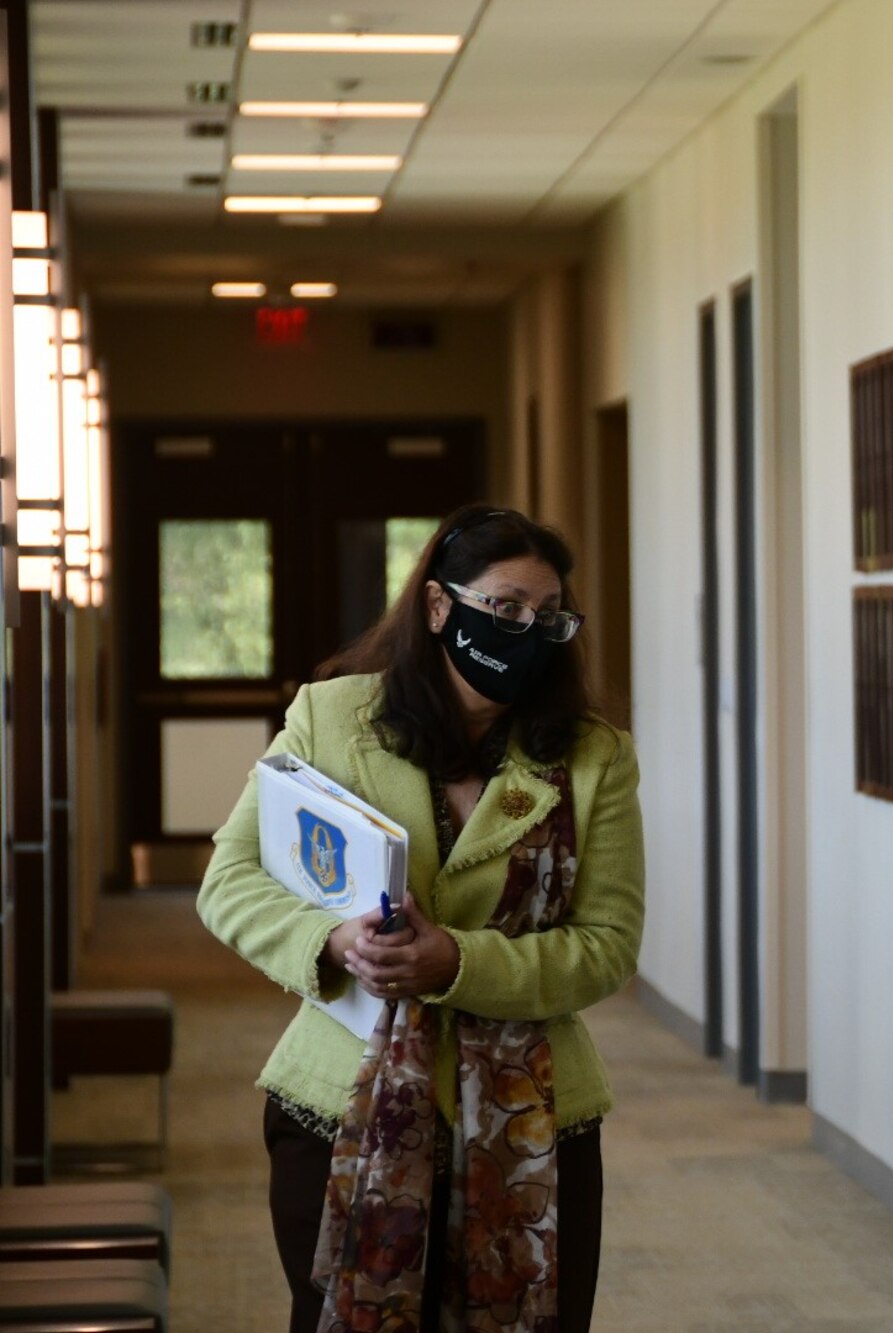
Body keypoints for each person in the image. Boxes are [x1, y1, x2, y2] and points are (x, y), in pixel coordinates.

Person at [198, 506, 644, 1333]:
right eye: (505, 607)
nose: (527, 630)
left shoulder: (593, 755)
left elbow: (608, 946)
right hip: (340, 1103)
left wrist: (460, 963)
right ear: (440, 607)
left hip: (534, 1116)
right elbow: (228, 879)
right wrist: (330, 940)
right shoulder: (333, 718)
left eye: (548, 616)